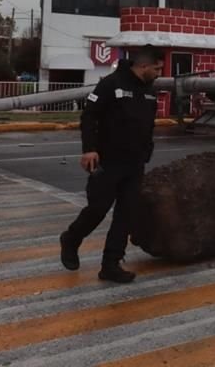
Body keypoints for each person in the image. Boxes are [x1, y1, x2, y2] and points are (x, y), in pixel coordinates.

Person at [59, 44, 164, 283]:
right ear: (144, 65)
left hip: (135, 164)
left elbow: (148, 124)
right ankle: (71, 239)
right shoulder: (111, 83)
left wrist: (146, 151)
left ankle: (111, 264)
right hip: (108, 162)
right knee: (97, 210)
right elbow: (89, 116)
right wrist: (89, 149)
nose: (159, 73)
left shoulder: (149, 90)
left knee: (125, 215)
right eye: (157, 68)